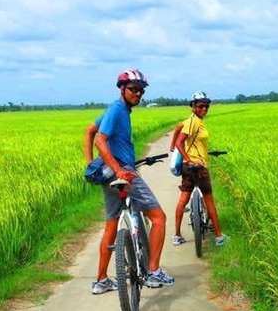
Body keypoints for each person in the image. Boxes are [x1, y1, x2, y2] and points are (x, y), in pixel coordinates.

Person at [84, 69, 174, 295]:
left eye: (141, 90)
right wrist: (119, 170)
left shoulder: (116, 110)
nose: (138, 94)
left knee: (111, 227)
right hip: (122, 172)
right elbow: (100, 141)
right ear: (121, 88)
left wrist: (91, 165)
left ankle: (101, 280)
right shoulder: (116, 110)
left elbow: (89, 131)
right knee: (159, 218)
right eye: (134, 89)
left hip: (109, 176)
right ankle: (153, 271)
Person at [169, 91, 228, 247]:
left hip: (187, 168)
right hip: (198, 166)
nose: (204, 109)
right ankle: (218, 237)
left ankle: (176, 235)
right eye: (200, 106)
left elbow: (177, 129)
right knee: (209, 200)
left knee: (183, 199)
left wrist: (173, 148)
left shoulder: (190, 121)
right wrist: (189, 158)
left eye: (206, 106)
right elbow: (180, 143)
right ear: (193, 107)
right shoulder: (193, 122)